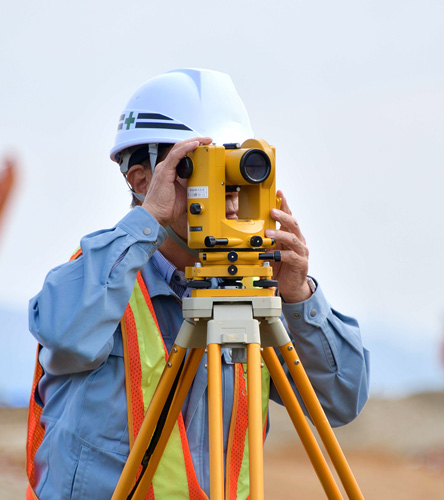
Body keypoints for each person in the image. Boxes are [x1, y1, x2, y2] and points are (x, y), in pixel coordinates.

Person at [26, 68, 370, 500]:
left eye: (235, 163)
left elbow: (342, 398)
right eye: (201, 165)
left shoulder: (254, 292)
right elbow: (63, 332)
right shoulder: (101, 277)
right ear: (142, 179)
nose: (228, 190)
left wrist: (298, 299)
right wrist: (145, 223)